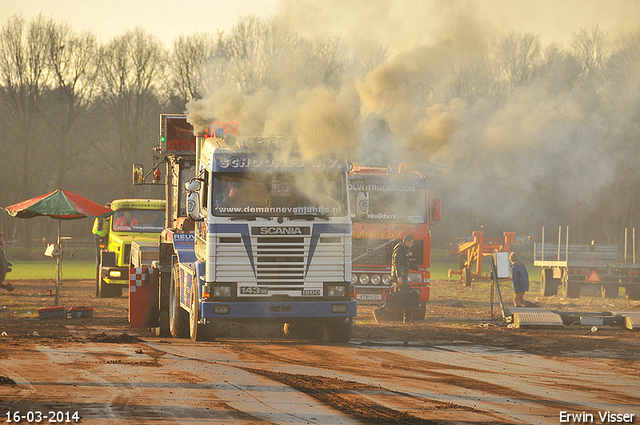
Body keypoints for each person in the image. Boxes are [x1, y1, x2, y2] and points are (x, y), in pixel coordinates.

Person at [373, 235, 424, 324]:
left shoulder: (404, 249)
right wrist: (399, 277)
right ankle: (379, 311)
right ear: (406, 241)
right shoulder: (400, 249)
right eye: (411, 243)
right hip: (399, 278)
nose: (412, 245)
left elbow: (407, 262)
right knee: (399, 298)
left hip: (401, 277)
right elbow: (397, 263)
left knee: (405, 297)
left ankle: (407, 318)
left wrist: (418, 269)